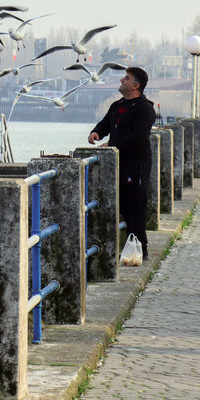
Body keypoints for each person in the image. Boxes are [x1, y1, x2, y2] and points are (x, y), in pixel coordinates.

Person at [88, 67, 156, 260]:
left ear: (136, 85)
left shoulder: (145, 108)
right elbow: (106, 124)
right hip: (120, 163)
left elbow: (138, 136)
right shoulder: (117, 105)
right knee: (124, 207)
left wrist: (111, 143)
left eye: (126, 78)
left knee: (136, 207)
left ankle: (140, 250)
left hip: (137, 164)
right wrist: (96, 133)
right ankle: (130, 249)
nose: (121, 80)